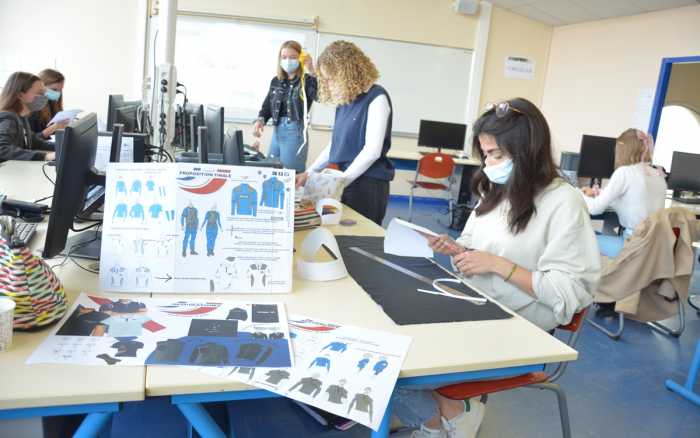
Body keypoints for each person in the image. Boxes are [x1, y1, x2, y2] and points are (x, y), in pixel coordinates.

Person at [392, 98, 601, 438]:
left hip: (521, 323)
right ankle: (441, 418)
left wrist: (499, 266)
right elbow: (477, 245)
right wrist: (458, 249)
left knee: (408, 361)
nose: (489, 163)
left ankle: (450, 415)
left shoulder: (563, 202)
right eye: (486, 154)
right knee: (393, 337)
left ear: (528, 151)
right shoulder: (497, 189)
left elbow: (569, 292)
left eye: (497, 155)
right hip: (477, 304)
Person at [295, 41, 394, 225]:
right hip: (344, 181)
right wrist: (310, 172)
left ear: (348, 73)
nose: (328, 84)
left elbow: (372, 151)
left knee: (360, 242)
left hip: (367, 186)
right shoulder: (345, 100)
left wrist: (339, 181)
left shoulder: (377, 98)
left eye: (331, 78)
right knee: (339, 235)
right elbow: (336, 143)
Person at [580, 128, 667, 259]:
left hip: (632, 247)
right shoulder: (658, 174)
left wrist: (578, 193)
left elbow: (594, 209)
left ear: (622, 149)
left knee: (580, 236)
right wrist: (599, 193)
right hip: (653, 248)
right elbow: (636, 198)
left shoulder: (625, 172)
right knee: (595, 234)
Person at [254, 40, 317, 172]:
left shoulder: (307, 80)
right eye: (284, 57)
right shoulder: (276, 80)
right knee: (270, 171)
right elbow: (267, 106)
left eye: (293, 57)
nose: (288, 60)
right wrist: (260, 120)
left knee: (290, 175)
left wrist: (312, 69)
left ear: (300, 59)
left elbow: (320, 96)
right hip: (277, 132)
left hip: (295, 131)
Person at [0, 71, 55, 161]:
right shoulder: (8, 118)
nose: (44, 97)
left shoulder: (22, 117)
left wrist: (62, 147)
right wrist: (45, 156)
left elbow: (34, 142)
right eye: (39, 93)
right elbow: (2, 149)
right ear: (20, 95)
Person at [30, 69, 69, 139]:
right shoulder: (31, 108)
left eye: (61, 89)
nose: (58, 93)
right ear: (41, 87)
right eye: (54, 90)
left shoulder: (52, 102)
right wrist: (53, 128)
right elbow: (30, 142)